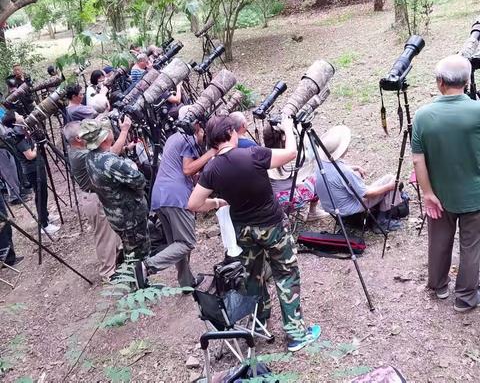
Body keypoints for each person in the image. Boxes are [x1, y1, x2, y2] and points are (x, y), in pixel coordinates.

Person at [188, 114, 321, 353]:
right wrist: (289, 128)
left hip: (245, 231)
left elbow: (194, 204)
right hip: (272, 227)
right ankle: (295, 335)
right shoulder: (253, 154)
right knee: (286, 275)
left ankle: (260, 318)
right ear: (230, 133)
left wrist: (218, 202)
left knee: (253, 275)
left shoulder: (211, 169)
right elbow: (291, 154)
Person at [412, 55, 480, 312]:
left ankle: (439, 286)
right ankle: (465, 298)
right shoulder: (477, 111)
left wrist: (428, 193)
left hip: (438, 195)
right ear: (466, 80)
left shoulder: (423, 116)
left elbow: (418, 161)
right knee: (472, 246)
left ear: (440, 82)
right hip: (475, 196)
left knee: (439, 241)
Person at [143, 105, 217, 287]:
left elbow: (185, 170)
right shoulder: (188, 138)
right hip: (175, 196)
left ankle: (186, 281)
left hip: (160, 195)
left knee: (177, 243)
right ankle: (146, 266)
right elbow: (187, 169)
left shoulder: (173, 138)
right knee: (186, 242)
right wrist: (211, 153)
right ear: (197, 125)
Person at [80, 119, 150, 264]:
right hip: (131, 218)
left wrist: (124, 134)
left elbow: (109, 156)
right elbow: (140, 180)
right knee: (138, 257)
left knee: (129, 250)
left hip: (115, 216)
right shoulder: (111, 163)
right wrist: (132, 167)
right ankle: (140, 284)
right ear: (105, 137)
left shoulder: (91, 157)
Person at [64, 121, 126, 282]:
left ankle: (118, 256)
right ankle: (108, 272)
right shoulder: (82, 155)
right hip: (94, 198)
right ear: (78, 138)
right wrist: (124, 131)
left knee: (113, 230)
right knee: (104, 235)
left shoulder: (78, 150)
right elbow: (110, 155)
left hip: (97, 195)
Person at [314, 125, 403, 232]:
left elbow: (333, 173)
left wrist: (353, 168)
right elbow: (366, 194)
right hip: (347, 208)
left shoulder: (319, 164)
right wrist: (389, 187)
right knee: (391, 179)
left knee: (372, 179)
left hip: (331, 206)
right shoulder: (345, 172)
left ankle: (348, 220)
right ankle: (381, 222)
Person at [2, 110, 59, 234]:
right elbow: (30, 155)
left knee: (43, 193)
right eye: (17, 115)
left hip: (36, 166)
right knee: (40, 194)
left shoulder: (22, 131)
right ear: (14, 121)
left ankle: (46, 216)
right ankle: (43, 224)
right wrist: (40, 146)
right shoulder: (18, 137)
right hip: (33, 169)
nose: (20, 115)